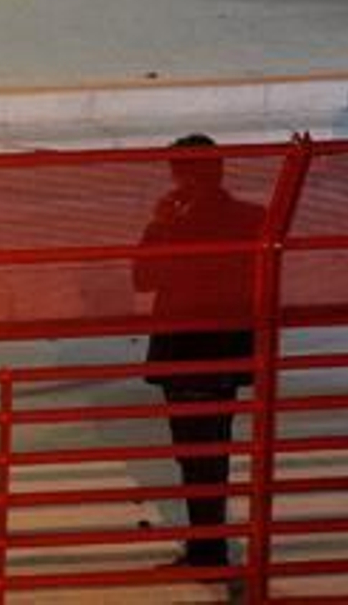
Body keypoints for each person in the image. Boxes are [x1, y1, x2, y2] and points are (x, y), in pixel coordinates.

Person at [134, 133, 265, 571]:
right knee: (215, 449)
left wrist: (161, 227)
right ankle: (210, 545)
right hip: (226, 350)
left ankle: (207, 547)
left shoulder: (174, 220)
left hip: (183, 348)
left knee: (193, 453)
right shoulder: (252, 217)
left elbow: (144, 278)